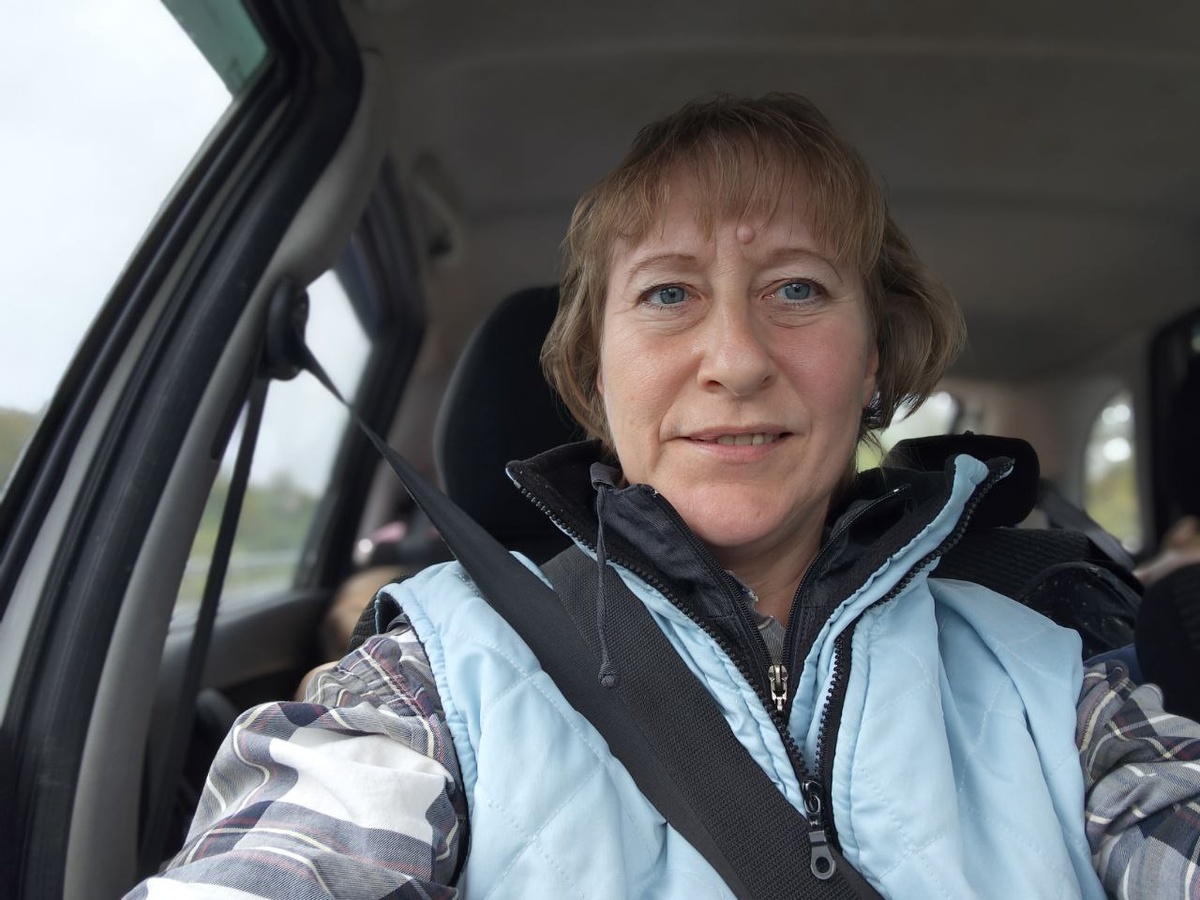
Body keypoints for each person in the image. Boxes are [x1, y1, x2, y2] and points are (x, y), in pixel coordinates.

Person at [127, 94, 1200, 899]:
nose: (735, 358)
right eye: (669, 293)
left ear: (872, 360)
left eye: (797, 288)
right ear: (597, 373)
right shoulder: (438, 676)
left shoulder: (1057, 677)